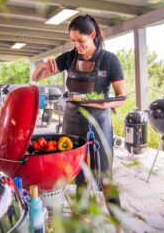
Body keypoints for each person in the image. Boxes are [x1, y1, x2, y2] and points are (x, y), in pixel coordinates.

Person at [31, 14, 126, 206]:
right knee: (79, 174)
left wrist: (103, 104)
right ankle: (82, 220)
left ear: (92, 35)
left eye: (80, 41)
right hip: (73, 120)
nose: (77, 45)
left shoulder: (109, 60)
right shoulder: (69, 57)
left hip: (99, 121)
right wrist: (43, 66)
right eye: (73, 41)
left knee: (105, 176)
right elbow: (36, 78)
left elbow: (121, 97)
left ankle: (118, 222)